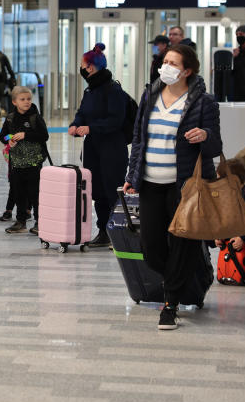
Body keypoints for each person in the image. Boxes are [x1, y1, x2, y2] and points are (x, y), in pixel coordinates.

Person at [123, 44, 222, 331]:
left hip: (186, 187)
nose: (165, 66)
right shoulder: (150, 95)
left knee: (181, 242)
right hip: (151, 184)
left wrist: (205, 134)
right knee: (151, 247)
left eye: (173, 63)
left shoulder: (203, 102)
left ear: (187, 71)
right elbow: (139, 138)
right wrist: (133, 174)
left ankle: (170, 304)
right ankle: (192, 270)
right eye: (164, 61)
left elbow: (215, 145)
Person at [68, 43, 130, 247]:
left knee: (112, 190)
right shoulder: (90, 91)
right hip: (94, 149)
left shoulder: (113, 91)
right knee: (98, 192)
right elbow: (82, 113)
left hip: (112, 148)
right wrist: (76, 124)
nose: (81, 69)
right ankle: (104, 230)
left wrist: (91, 128)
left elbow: (116, 121)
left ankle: (119, 232)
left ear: (91, 68)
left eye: (82, 65)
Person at [0, 87, 49, 234]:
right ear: (15, 102)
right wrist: (10, 140)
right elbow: (3, 136)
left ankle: (40, 222)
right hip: (16, 164)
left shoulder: (35, 117)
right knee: (19, 193)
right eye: (22, 99)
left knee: (35, 194)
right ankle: (20, 221)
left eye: (28, 99)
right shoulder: (10, 118)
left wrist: (25, 134)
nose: (26, 102)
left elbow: (43, 135)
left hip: (33, 163)